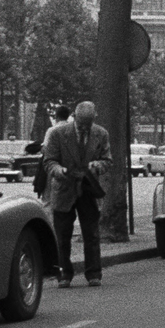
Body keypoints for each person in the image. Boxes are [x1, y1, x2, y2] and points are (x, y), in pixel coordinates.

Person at [44, 101, 112, 288]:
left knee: (91, 234)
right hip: (64, 189)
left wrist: (96, 166)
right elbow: (49, 161)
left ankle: (94, 274)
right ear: (74, 116)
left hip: (88, 189)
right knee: (62, 236)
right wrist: (61, 171)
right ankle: (63, 274)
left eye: (87, 124)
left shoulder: (101, 134)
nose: (84, 128)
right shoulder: (58, 134)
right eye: (81, 123)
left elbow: (107, 160)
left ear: (93, 119)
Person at [34, 104, 72, 224]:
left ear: (56, 116)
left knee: (48, 199)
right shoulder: (73, 129)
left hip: (53, 167)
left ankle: (50, 227)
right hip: (70, 167)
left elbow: (46, 150)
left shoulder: (52, 130)